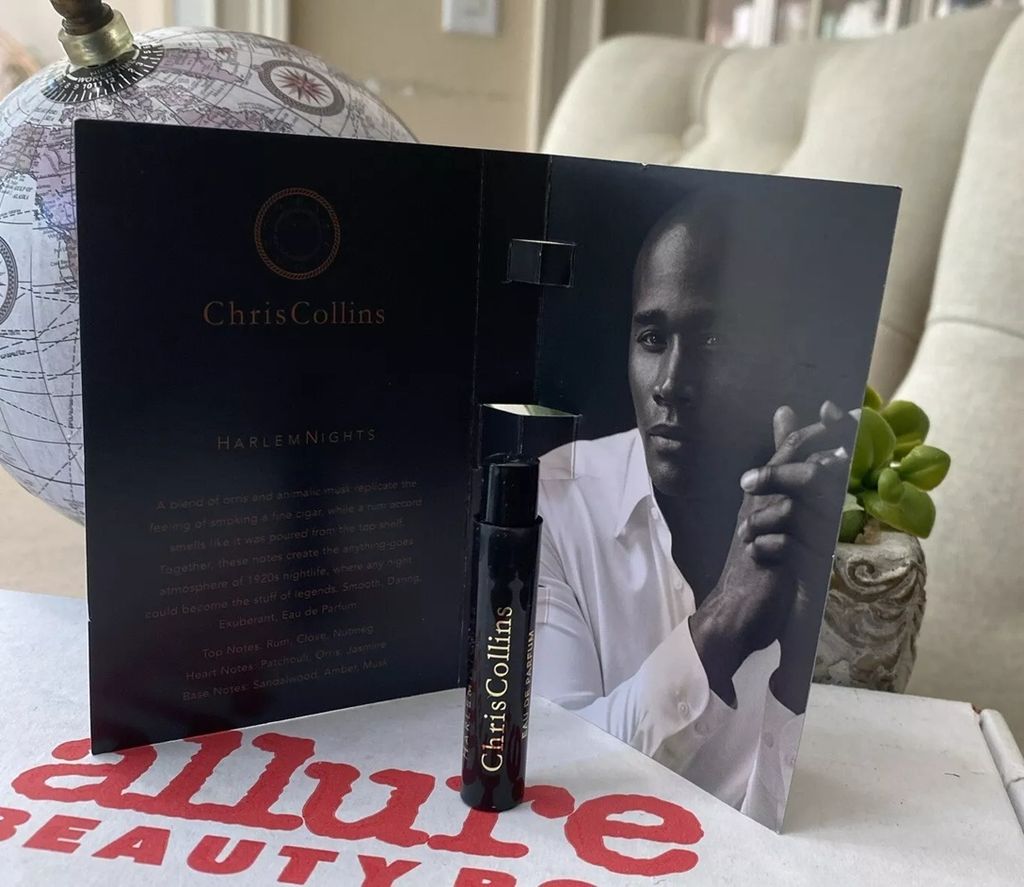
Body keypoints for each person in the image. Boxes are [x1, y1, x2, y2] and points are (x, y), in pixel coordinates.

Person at [534, 200, 854, 829]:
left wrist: (798, 670)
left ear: (787, 359)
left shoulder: (836, 529)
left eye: (714, 340)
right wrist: (721, 625)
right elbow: (555, 777)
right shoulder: (555, 497)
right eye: (653, 339)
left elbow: (803, 831)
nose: (671, 383)